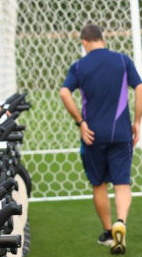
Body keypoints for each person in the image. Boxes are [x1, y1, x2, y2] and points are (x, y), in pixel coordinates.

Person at [60, 24, 142, 255]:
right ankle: (121, 223)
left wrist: (80, 122)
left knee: (99, 185)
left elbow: (64, 92)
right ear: (102, 39)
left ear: (84, 42)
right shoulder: (123, 61)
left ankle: (108, 232)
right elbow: (140, 87)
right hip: (121, 133)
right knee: (122, 183)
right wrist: (137, 122)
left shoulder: (79, 65)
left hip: (92, 135)